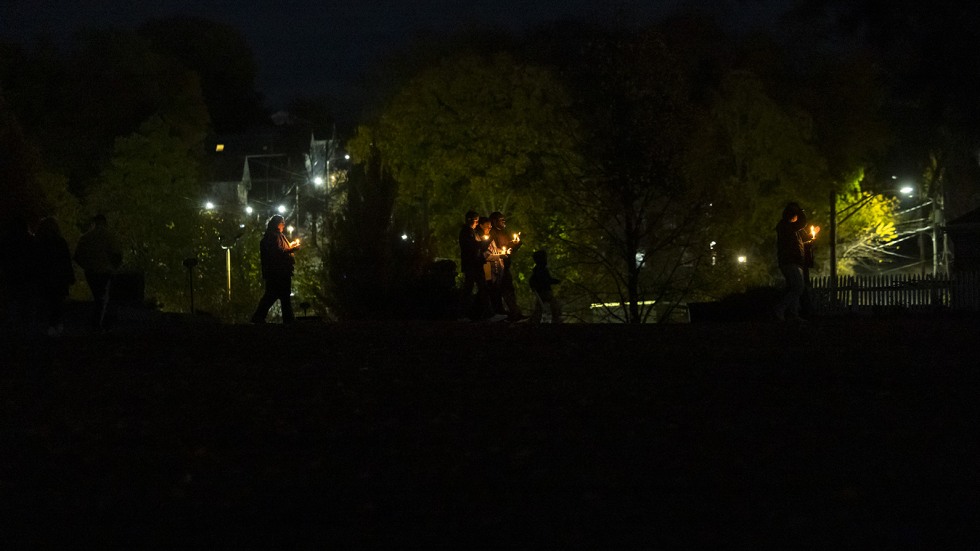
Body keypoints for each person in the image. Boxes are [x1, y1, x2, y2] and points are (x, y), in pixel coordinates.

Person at [73, 214, 122, 330]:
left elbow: (77, 256)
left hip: (91, 272)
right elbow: (117, 254)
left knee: (98, 297)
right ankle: (99, 322)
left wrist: (86, 266)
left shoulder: (86, 237)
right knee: (103, 298)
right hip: (106, 271)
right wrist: (114, 267)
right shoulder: (110, 236)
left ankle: (98, 322)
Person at [251, 214, 300, 324]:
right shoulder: (273, 236)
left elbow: (281, 249)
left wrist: (290, 246)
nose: (284, 225)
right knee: (275, 295)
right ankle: (286, 320)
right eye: (282, 222)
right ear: (277, 224)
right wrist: (292, 250)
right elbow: (276, 253)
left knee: (278, 295)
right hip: (278, 272)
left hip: (280, 271)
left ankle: (286, 319)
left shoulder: (276, 235)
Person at [774, 202, 819, 322]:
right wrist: (801, 211)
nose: (797, 218)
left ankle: (793, 314)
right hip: (789, 261)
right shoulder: (785, 225)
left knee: (795, 287)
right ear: (791, 215)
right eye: (796, 215)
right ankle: (779, 309)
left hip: (795, 262)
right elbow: (802, 223)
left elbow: (801, 241)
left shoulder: (790, 229)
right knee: (798, 287)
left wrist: (811, 237)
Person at [34, 217, 75, 336]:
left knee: (46, 302)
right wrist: (69, 277)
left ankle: (47, 326)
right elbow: (66, 261)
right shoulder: (60, 242)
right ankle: (55, 324)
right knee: (57, 303)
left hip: (44, 278)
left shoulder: (38, 243)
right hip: (59, 278)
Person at [488, 211, 527, 322]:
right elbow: (490, 249)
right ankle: (499, 313)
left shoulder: (504, 233)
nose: (504, 221)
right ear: (494, 221)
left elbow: (508, 248)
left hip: (505, 266)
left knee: (509, 289)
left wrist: (516, 244)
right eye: (501, 219)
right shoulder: (490, 233)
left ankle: (515, 313)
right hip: (494, 267)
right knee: (496, 290)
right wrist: (502, 252)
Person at [0, 217, 36, 332]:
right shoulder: (30, 240)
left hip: (11, 273)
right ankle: (27, 324)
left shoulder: (6, 240)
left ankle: (13, 322)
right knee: (26, 299)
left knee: (13, 297)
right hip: (27, 274)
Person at [458, 210, 492, 320]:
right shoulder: (466, 232)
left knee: (482, 288)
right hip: (471, 264)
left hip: (476, 264)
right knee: (470, 288)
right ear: (470, 220)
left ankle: (487, 313)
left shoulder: (473, 232)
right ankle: (463, 314)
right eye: (476, 220)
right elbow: (473, 247)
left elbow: (479, 246)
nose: (477, 223)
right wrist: (486, 241)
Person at [529, 249, 561, 324]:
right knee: (553, 305)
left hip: (542, 291)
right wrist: (554, 281)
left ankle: (534, 321)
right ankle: (555, 320)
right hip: (544, 291)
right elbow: (545, 280)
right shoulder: (540, 270)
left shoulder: (539, 270)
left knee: (539, 308)